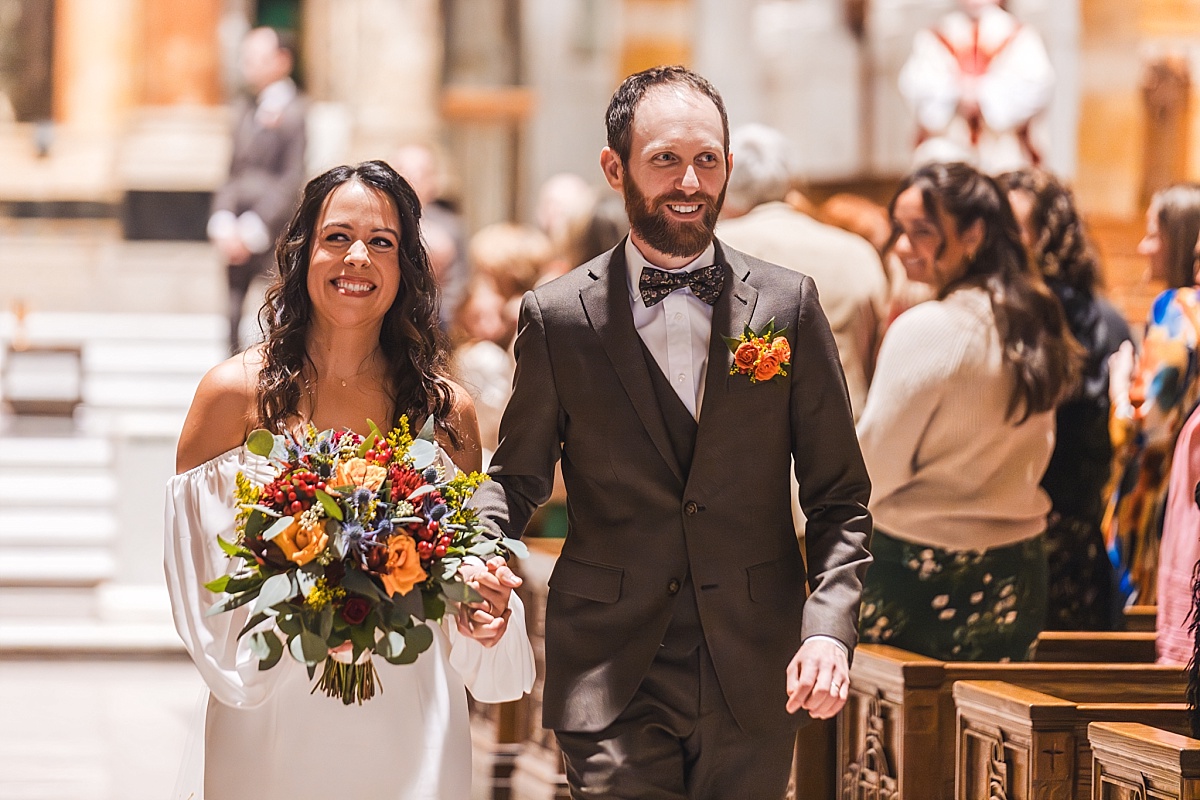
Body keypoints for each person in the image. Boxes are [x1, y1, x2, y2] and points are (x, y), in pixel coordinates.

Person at [466, 66, 873, 799]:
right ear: (615, 168)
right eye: (665, 161)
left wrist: (828, 626)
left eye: (707, 160)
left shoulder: (788, 304)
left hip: (755, 666)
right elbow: (514, 478)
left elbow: (840, 497)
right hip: (610, 667)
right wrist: (482, 559)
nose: (690, 182)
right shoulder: (558, 318)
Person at [166, 161, 535, 800]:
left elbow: (463, 575)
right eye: (336, 237)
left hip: (409, 712)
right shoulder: (232, 398)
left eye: (382, 242)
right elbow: (199, 579)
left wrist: (485, 611)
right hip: (273, 712)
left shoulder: (446, 413)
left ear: (407, 266)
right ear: (303, 251)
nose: (357, 257)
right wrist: (319, 606)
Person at [857, 161, 1081, 661]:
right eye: (899, 228)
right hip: (1017, 566)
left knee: (900, 738)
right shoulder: (1036, 318)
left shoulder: (927, 328)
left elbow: (872, 470)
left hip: (918, 565)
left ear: (973, 235)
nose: (900, 246)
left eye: (922, 232)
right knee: (996, 734)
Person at [998, 168, 1133, 631]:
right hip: (1026, 532)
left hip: (1053, 539)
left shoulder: (1083, 320)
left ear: (1048, 237)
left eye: (1012, 225)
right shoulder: (998, 311)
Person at [718, 123, 888, 420]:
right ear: (792, 182)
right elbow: (880, 356)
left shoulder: (708, 252)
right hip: (844, 434)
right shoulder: (856, 253)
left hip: (742, 444)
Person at [1105, 183, 1200, 611]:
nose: (1144, 247)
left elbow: (1144, 423)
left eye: (1153, 234)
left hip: (1160, 501)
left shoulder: (1176, 310)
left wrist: (1118, 381)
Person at [208, 27, 308, 356]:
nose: (247, 65)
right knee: (231, 316)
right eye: (246, 58)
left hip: (273, 230)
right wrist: (223, 220)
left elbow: (291, 178)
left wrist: (255, 227)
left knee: (277, 311)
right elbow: (231, 172)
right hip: (236, 223)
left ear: (282, 60)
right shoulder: (244, 110)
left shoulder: (297, 112)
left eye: (257, 58)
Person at [899, 0, 1054, 174]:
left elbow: (1036, 86)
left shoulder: (1021, 35)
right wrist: (955, 93)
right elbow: (916, 85)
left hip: (1001, 149)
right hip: (950, 143)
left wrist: (983, 96)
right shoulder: (935, 34)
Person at [393, 143, 469, 331]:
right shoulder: (375, 223)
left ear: (433, 181)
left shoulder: (451, 228)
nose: (412, 179)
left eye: (422, 172)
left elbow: (459, 290)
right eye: (403, 170)